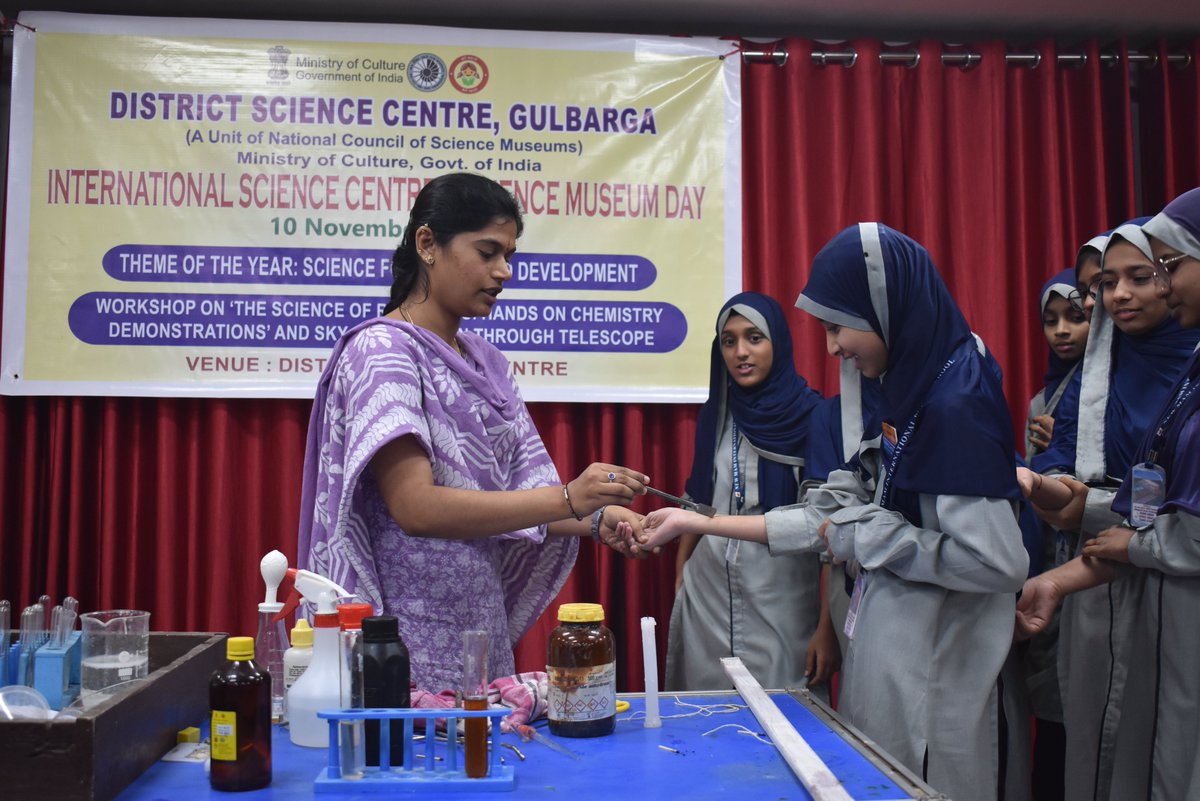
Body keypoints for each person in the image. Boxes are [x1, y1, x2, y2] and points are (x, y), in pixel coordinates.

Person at [639, 223, 1028, 801]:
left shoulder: (955, 402)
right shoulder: (912, 389)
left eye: (838, 327)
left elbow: (998, 564)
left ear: (883, 310)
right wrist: (697, 522)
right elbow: (829, 516)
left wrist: (870, 537)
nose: (832, 348)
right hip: (894, 650)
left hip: (936, 671)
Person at [296, 172, 647, 692]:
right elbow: (415, 508)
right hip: (402, 643)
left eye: (509, 255)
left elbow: (517, 504)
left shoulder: (487, 363)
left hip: (478, 634)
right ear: (427, 244)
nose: (503, 271)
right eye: (487, 252)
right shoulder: (384, 352)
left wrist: (597, 518)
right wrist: (570, 498)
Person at [1018, 189, 1200, 800]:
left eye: (1150, 273)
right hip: (1100, 572)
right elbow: (1097, 501)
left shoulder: (1189, 369)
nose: (1116, 296)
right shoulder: (1089, 379)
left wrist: (1094, 511)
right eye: (1104, 284)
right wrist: (1036, 484)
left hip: (1172, 583)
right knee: (1102, 745)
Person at [666, 292, 840, 693]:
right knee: (706, 722)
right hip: (707, 596)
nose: (741, 352)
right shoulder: (718, 412)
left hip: (782, 600)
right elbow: (699, 496)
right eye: (729, 341)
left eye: (754, 338)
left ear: (777, 342)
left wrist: (827, 628)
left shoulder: (815, 417)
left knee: (786, 724)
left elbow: (833, 529)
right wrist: (682, 571)